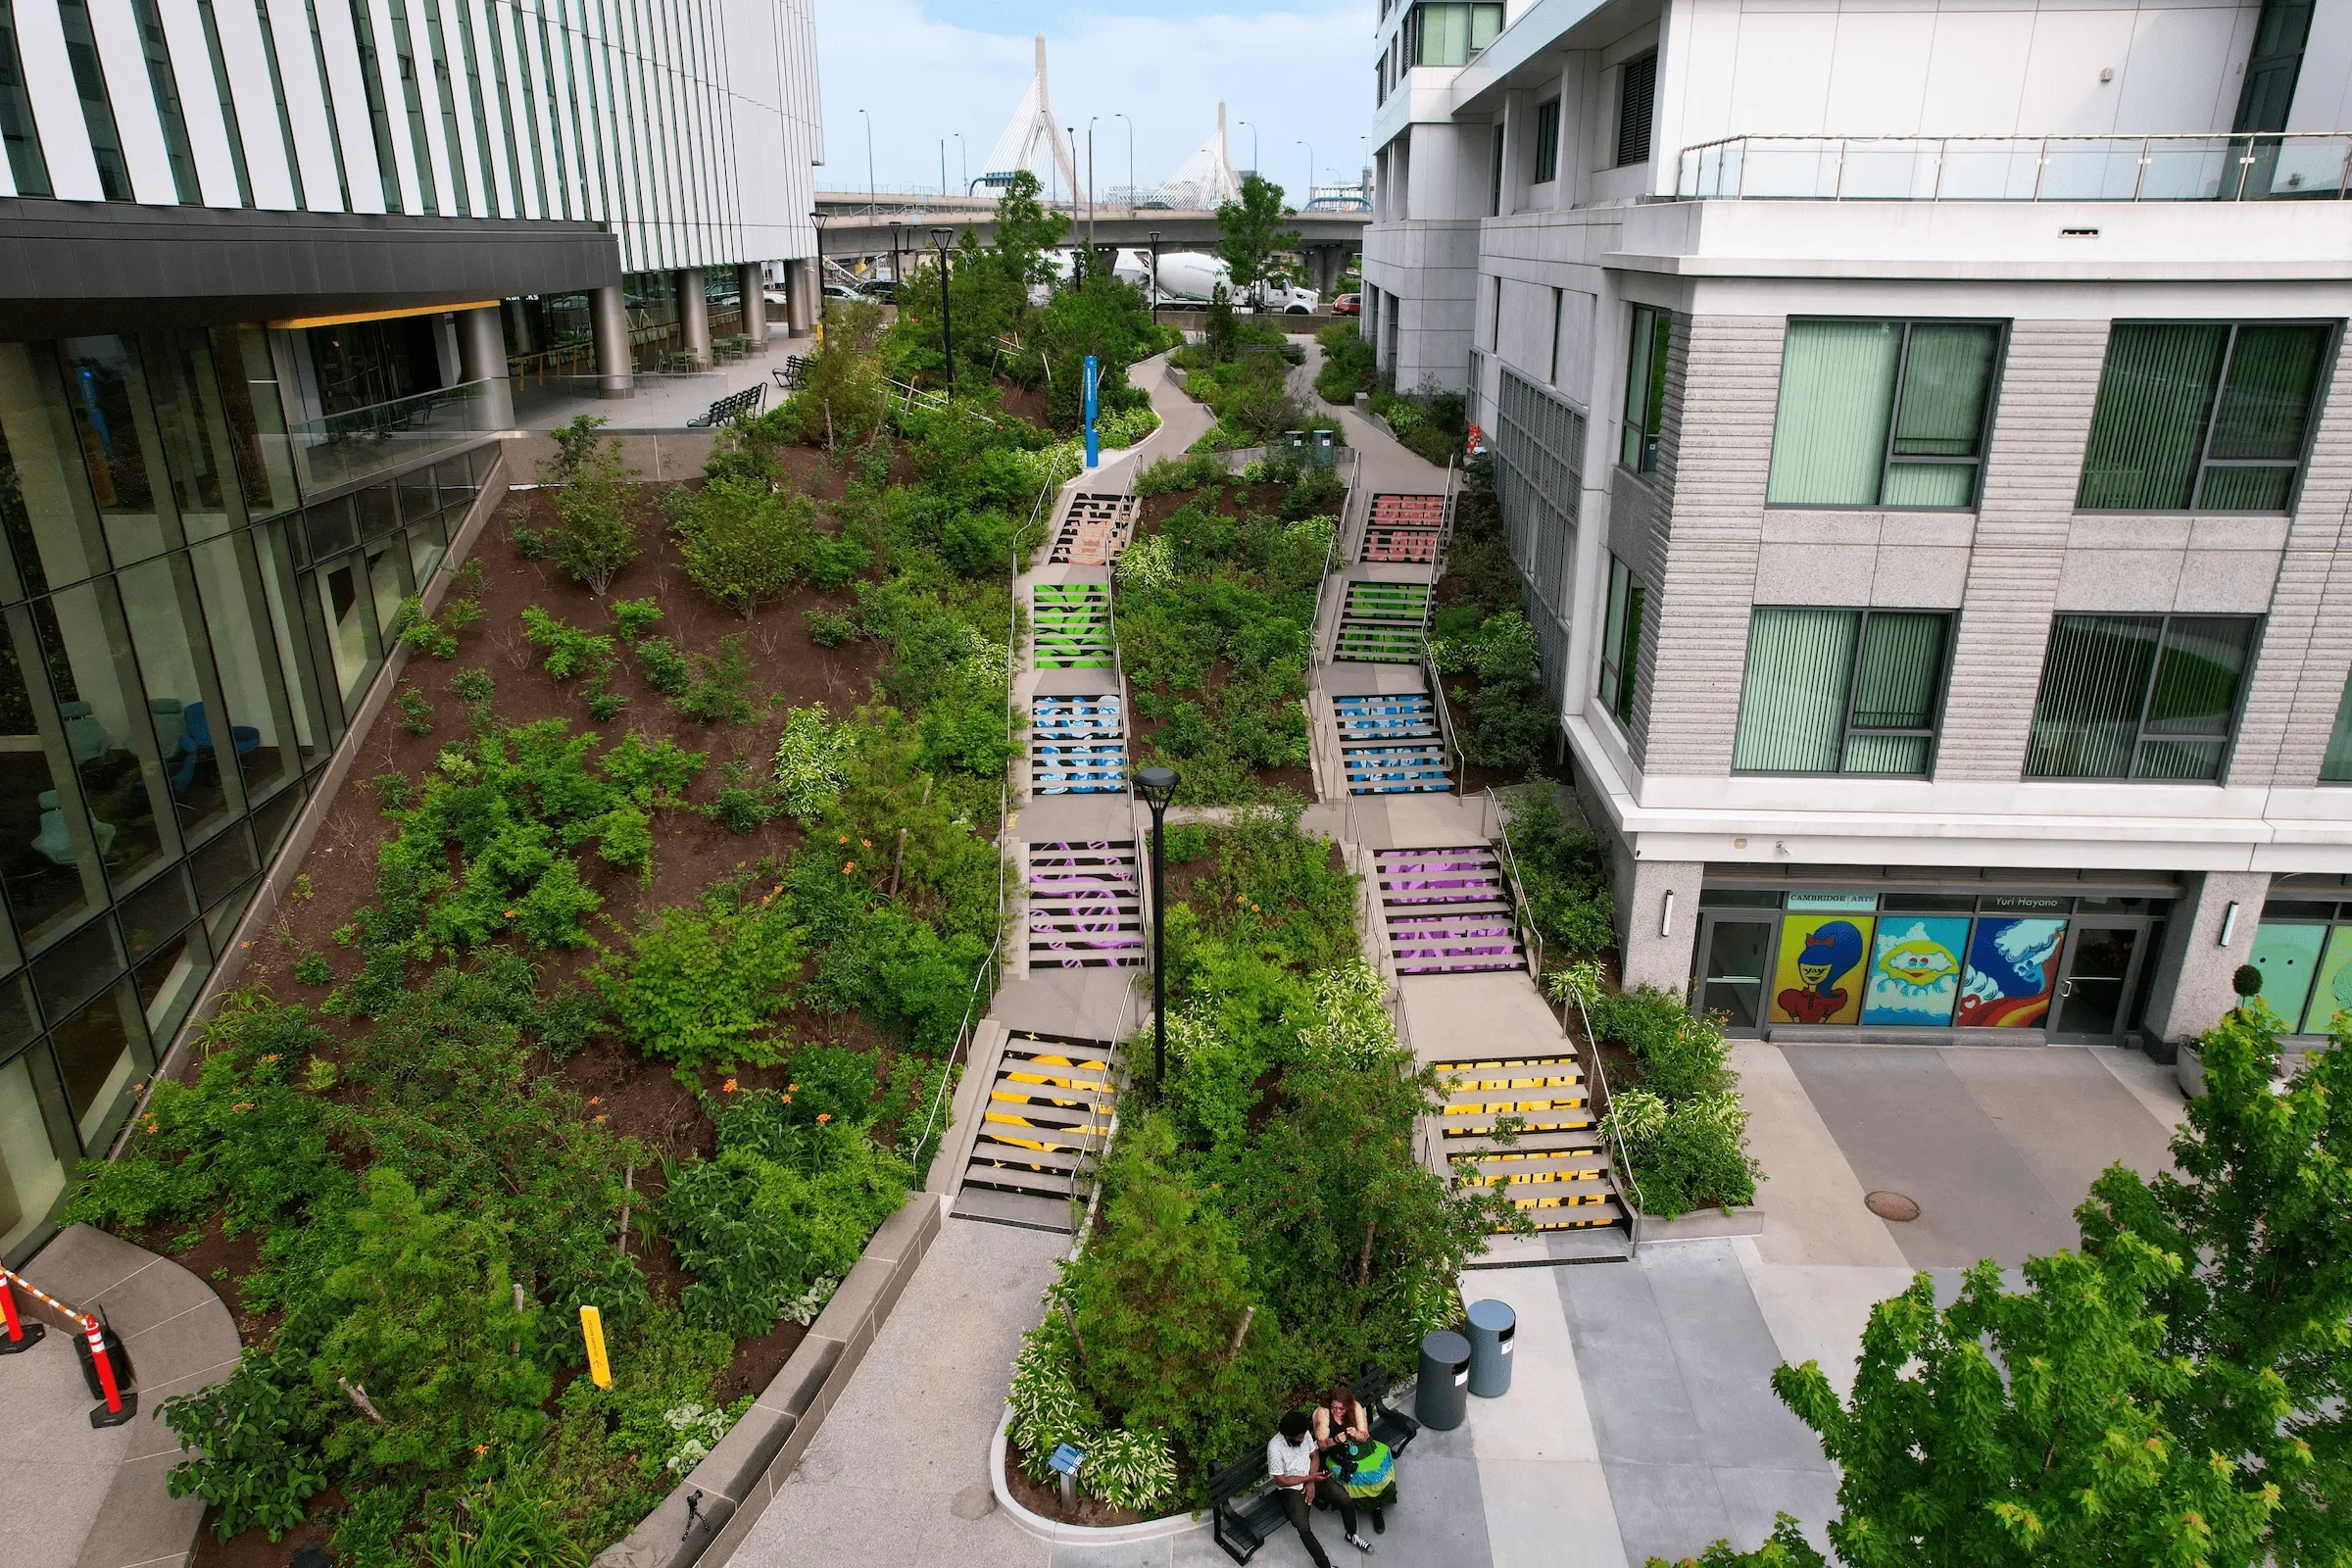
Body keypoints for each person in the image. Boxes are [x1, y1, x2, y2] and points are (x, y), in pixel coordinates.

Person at [1268, 1408, 1374, 1562]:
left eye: (1304, 1434)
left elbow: (1315, 1455)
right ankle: (1325, 1565)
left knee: (1345, 1500)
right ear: (1288, 1435)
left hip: (1313, 1477)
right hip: (1292, 1489)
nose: (1304, 1438)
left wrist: (1311, 1480)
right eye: (1300, 1437)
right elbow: (1281, 1480)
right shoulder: (1274, 1448)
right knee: (1303, 1527)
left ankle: (1352, 1535)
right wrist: (1309, 1479)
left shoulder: (1303, 1435)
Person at [1313, 1387, 1391, 1535]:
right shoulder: (1323, 1413)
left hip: (1356, 1447)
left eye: (1341, 1409)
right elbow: (1322, 1445)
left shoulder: (1355, 1407)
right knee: (1356, 1475)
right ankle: (1362, 1503)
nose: (1337, 1411)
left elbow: (1365, 1436)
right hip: (1336, 1454)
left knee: (1374, 1472)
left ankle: (1376, 1506)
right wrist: (1335, 1440)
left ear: (1348, 1406)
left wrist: (1356, 1434)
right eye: (1334, 1407)